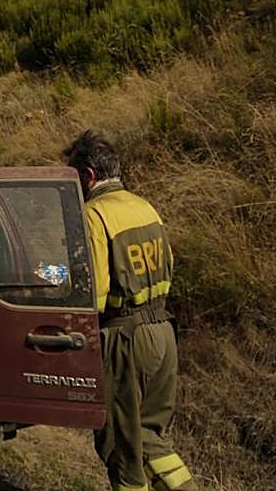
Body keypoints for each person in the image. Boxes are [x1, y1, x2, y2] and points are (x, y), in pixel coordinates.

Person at [64, 130, 196, 491]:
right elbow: (169, 264)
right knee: (152, 438)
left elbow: (96, 296)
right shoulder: (144, 206)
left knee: (121, 448)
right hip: (163, 332)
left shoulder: (94, 215)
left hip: (125, 340)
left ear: (88, 176)